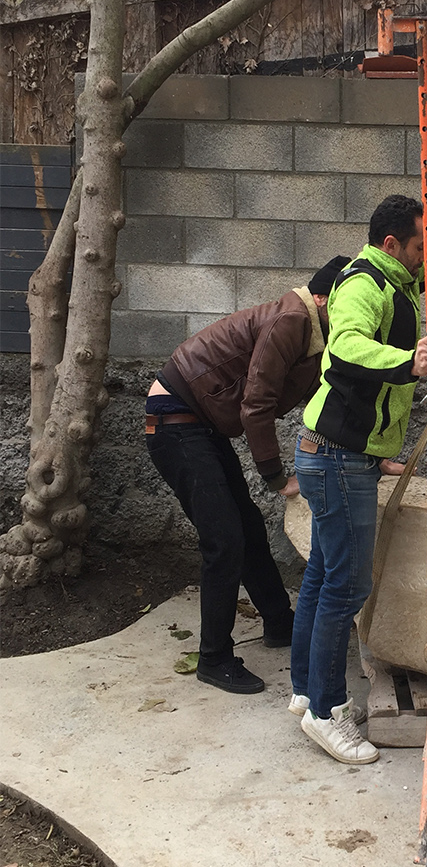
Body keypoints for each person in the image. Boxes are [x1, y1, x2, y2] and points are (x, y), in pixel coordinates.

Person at [290, 170, 427, 764]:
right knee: (347, 585)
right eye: (418, 246)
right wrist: (410, 360)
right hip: (335, 458)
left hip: (343, 455)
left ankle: (305, 692)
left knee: (323, 576)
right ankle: (325, 712)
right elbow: (346, 347)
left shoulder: (403, 276)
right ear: (391, 244)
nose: (425, 255)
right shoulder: (362, 283)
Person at [145, 262, 348, 695]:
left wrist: (365, 454)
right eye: (348, 301)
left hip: (200, 424)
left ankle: (278, 622)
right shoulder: (292, 320)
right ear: (323, 299)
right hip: (174, 420)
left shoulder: (317, 334)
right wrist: (276, 477)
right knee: (224, 539)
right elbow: (256, 405)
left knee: (249, 528)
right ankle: (214, 657)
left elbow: (325, 401)